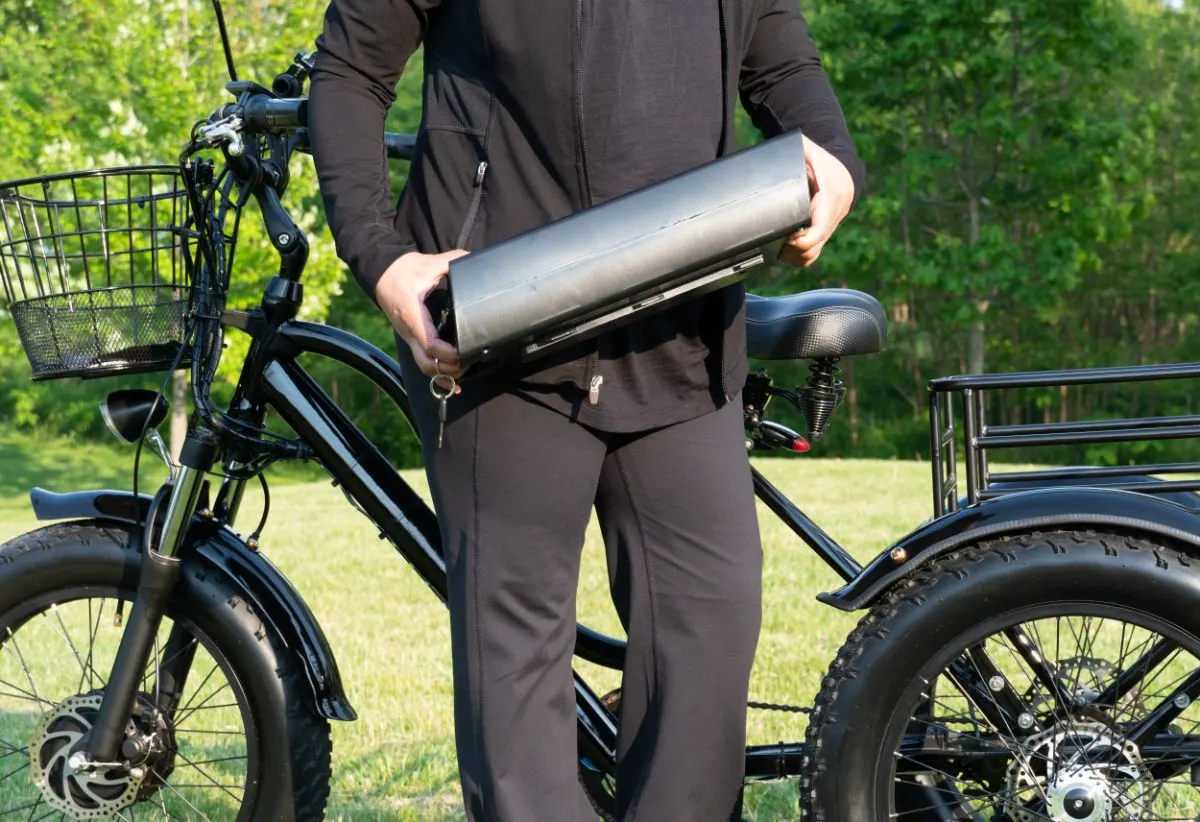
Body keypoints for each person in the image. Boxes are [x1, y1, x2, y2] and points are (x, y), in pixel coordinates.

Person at [308, 2, 861, 819]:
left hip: (683, 338)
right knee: (516, 680)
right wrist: (386, 264)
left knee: (704, 648)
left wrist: (835, 166)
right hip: (500, 337)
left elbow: (779, 64)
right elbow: (351, 68)